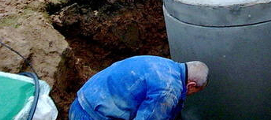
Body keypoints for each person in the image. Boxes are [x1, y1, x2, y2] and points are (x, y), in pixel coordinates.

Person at [69, 55, 209, 120]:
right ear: (191, 85)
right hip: (93, 116)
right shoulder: (169, 90)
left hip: (79, 104)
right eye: (194, 91)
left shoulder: (164, 64)